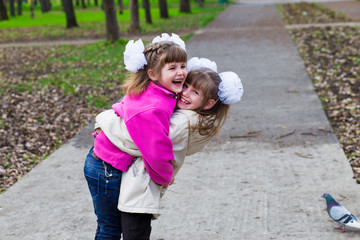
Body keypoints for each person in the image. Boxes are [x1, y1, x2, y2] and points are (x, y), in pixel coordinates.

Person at [95, 57, 244, 239]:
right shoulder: (190, 115)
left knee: (119, 230)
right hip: (139, 184)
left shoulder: (183, 122)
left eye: (195, 92)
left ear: (208, 103)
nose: (185, 93)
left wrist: (104, 119)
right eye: (186, 85)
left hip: (140, 186)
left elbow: (137, 138)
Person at [84, 33, 188, 239]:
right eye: (172, 68)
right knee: (110, 228)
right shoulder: (153, 107)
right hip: (106, 168)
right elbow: (156, 151)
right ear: (153, 74)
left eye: (183, 66)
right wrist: (165, 177)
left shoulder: (153, 90)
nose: (181, 72)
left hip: (102, 161)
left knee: (109, 226)